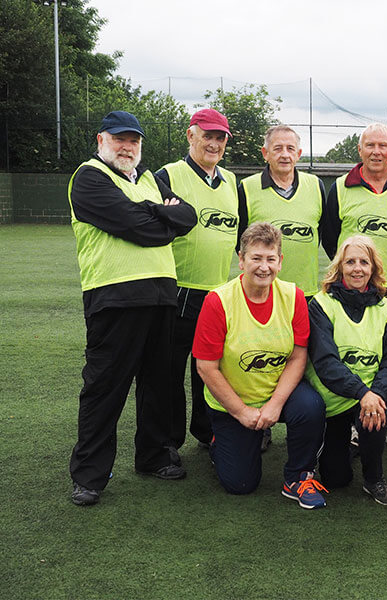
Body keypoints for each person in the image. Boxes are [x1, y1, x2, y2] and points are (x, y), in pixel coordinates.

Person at [68, 111, 197, 506]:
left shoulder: (149, 179)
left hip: (161, 296)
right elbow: (140, 228)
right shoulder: (89, 177)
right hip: (114, 297)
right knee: (105, 388)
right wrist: (163, 214)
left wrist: (160, 214)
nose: (127, 147)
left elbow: (188, 217)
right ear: (101, 140)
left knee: (158, 383)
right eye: (120, 139)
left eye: (134, 141)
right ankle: (90, 475)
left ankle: (153, 456)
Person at [193, 222, 327, 507]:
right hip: (234, 402)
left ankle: (298, 476)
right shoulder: (217, 301)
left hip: (278, 391)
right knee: (240, 485)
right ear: (241, 260)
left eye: (270, 258)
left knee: (311, 407)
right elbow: (206, 367)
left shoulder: (294, 296)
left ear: (280, 262)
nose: (263, 267)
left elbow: (297, 357)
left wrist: (276, 404)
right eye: (255, 258)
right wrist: (241, 412)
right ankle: (222, 442)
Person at [321, 122, 387, 452]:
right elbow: (330, 236)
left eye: (383, 145)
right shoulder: (340, 187)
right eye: (370, 146)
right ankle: (352, 422)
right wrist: (354, 271)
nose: (376, 151)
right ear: (360, 150)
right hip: (353, 287)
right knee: (353, 354)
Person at [155, 108, 238, 451]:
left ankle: (207, 431)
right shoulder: (167, 176)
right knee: (169, 372)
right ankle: (169, 441)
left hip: (217, 295)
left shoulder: (231, 181)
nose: (214, 143)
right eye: (208, 135)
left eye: (220, 138)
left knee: (210, 369)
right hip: (176, 291)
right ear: (191, 135)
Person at [306, 235, 387, 505]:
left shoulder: (385, 308)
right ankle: (349, 444)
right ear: (339, 267)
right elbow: (325, 362)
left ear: (373, 268)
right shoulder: (322, 304)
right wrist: (362, 393)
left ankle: (374, 478)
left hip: (371, 399)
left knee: (375, 411)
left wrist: (376, 394)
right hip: (335, 400)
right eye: (350, 262)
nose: (357, 268)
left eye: (364, 262)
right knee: (336, 479)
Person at [238, 125, 325, 299]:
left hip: (305, 293)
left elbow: (322, 235)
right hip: (261, 293)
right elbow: (239, 241)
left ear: (298, 154)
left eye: (290, 149)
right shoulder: (247, 188)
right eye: (277, 148)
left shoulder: (316, 185)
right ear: (265, 153)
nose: (285, 154)